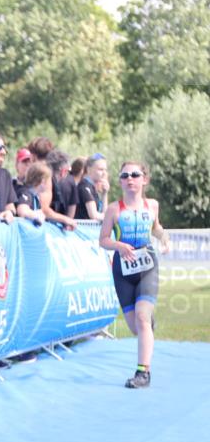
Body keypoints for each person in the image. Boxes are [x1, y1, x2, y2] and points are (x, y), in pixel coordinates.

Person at [98, 162, 167, 389]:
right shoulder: (113, 210)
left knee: (141, 318)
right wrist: (119, 245)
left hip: (147, 268)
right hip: (123, 271)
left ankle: (142, 373)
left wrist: (163, 238)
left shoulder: (152, 205)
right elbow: (103, 240)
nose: (130, 179)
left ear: (144, 180)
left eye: (135, 175)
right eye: (125, 175)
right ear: (120, 181)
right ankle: (147, 324)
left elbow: (156, 227)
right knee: (135, 327)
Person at [75, 153, 108, 220]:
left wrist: (105, 194)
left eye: (105, 170)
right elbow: (93, 215)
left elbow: (104, 213)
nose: (104, 173)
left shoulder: (91, 187)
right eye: (100, 169)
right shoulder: (84, 186)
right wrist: (110, 218)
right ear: (89, 169)